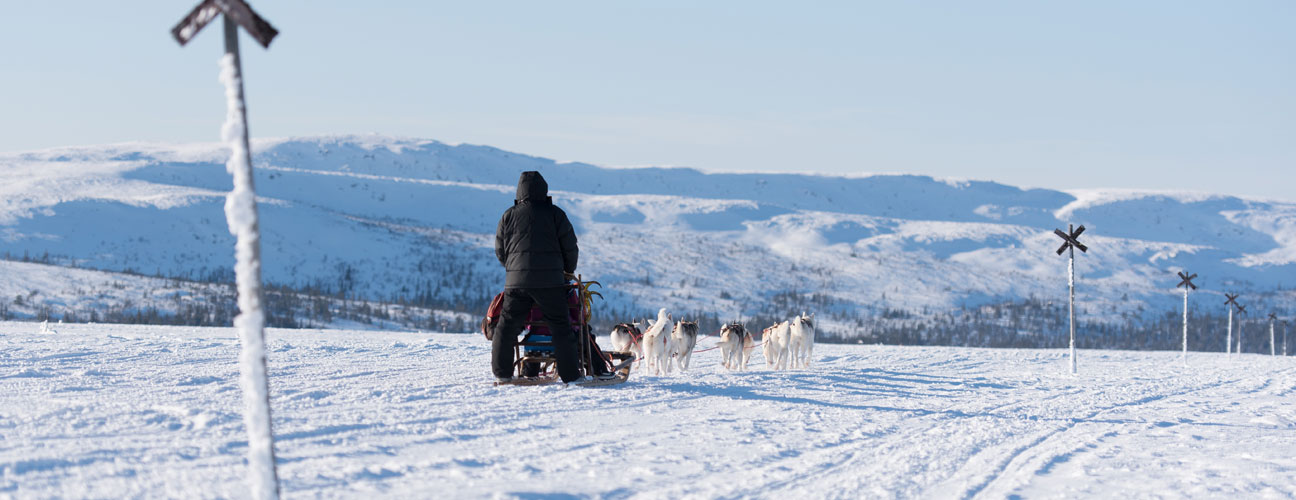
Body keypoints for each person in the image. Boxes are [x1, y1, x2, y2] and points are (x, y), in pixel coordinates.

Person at [491, 171, 582, 383]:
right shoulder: (556, 214)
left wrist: (513, 269)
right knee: (560, 327)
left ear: (519, 190)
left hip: (516, 283)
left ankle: (502, 373)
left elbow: (500, 250)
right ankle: (570, 376)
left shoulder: (508, 215)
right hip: (551, 283)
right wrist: (566, 271)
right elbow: (570, 248)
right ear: (544, 189)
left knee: (506, 328)